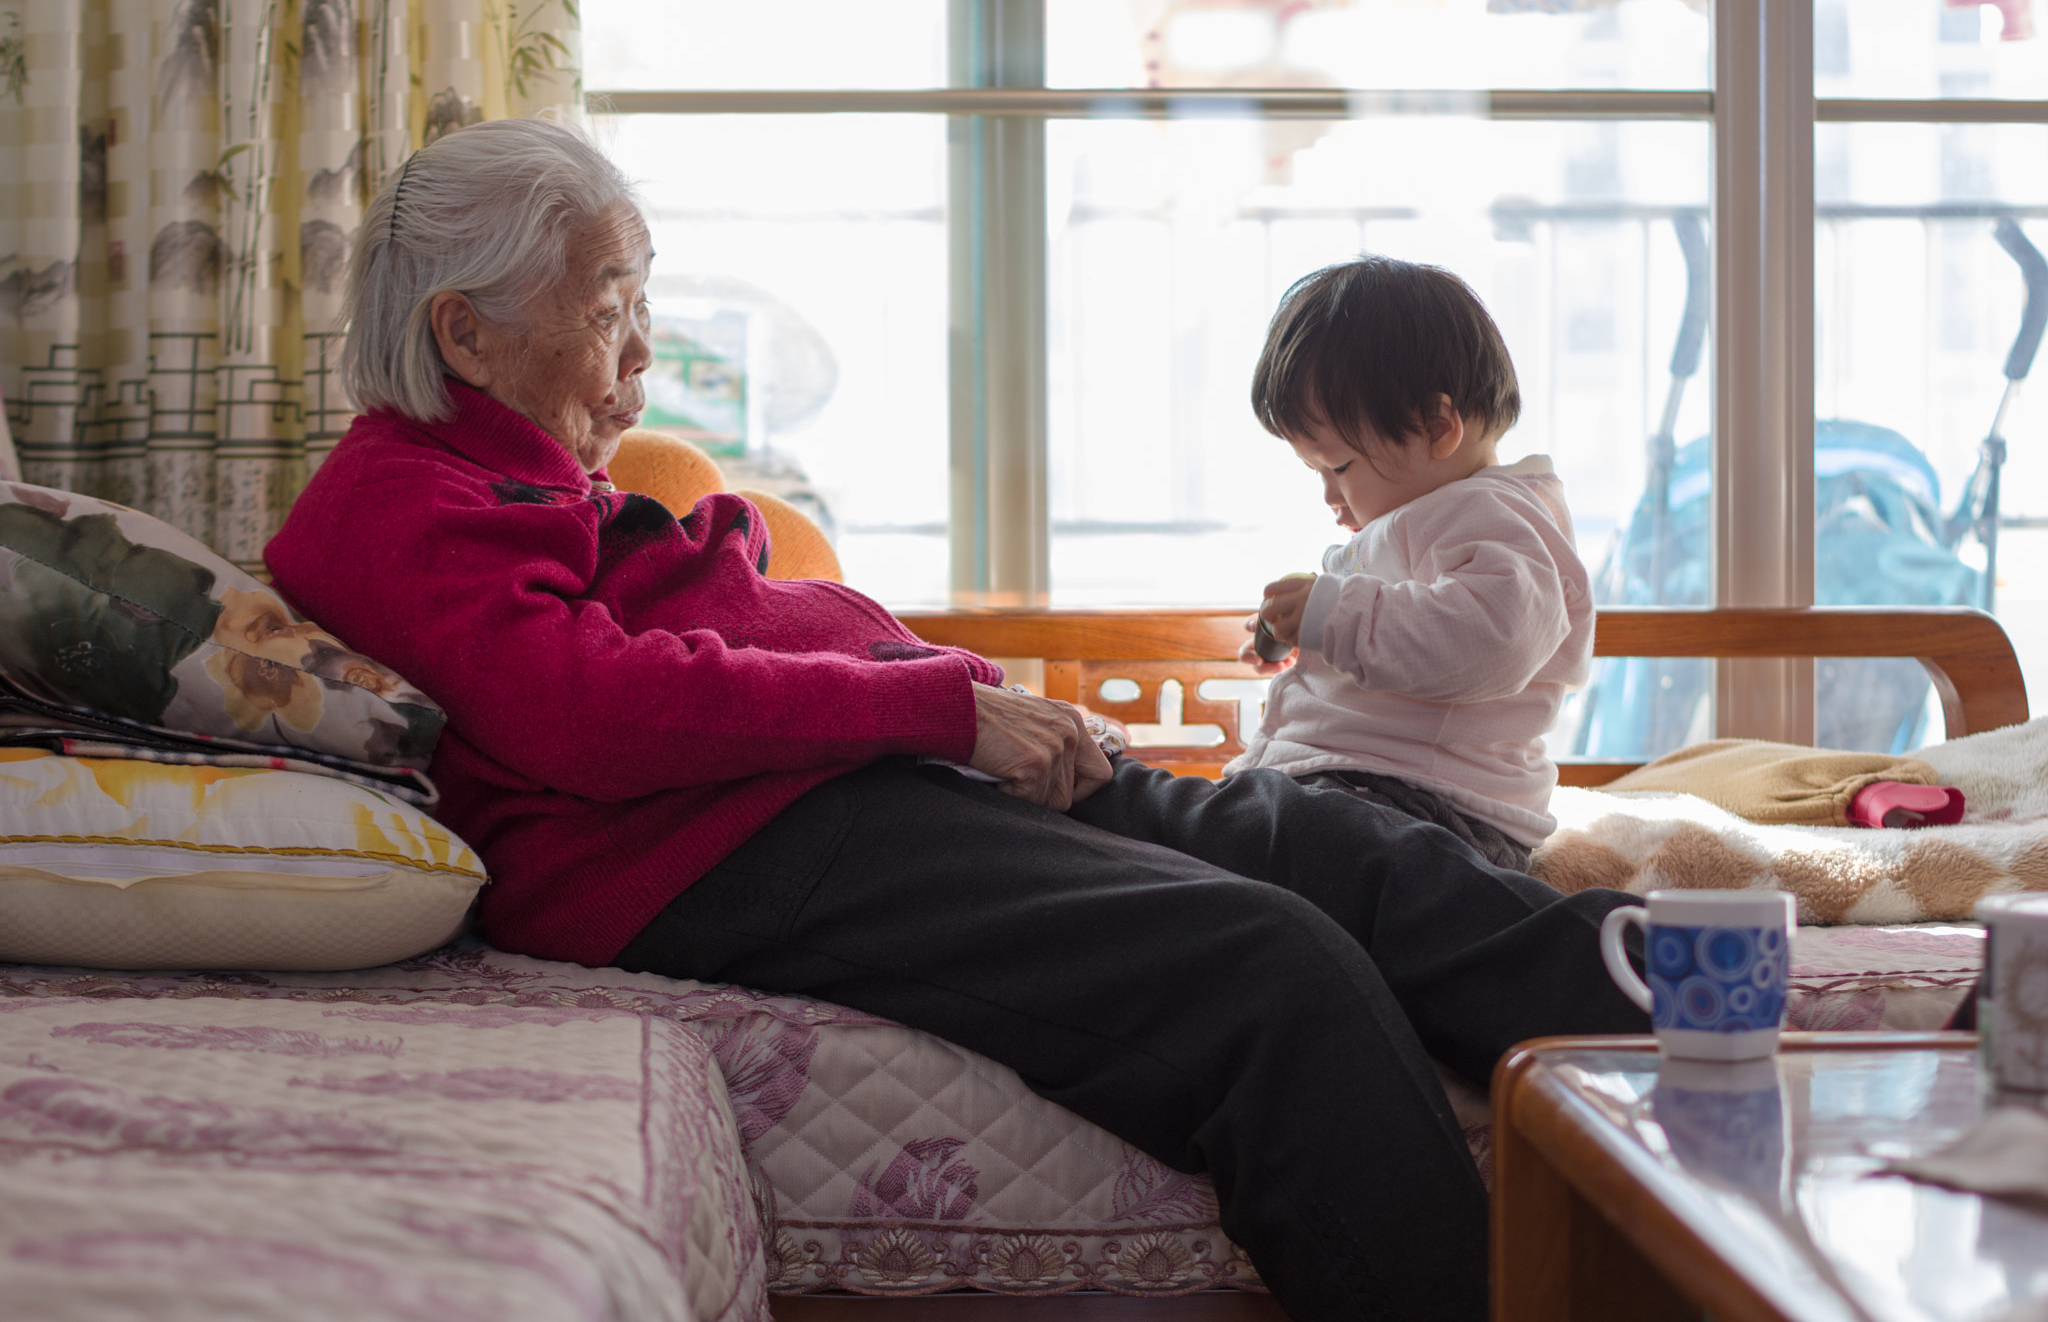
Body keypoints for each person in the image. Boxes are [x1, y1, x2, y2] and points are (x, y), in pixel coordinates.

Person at [265, 117, 1649, 1322]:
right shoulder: (399, 503)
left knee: (1319, 842)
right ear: (467, 330)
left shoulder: (506, 468)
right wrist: (933, 703)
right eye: (610, 304)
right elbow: (586, 713)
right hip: (739, 837)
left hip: (844, 767)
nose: (641, 347)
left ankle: (1688, 1008)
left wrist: (951, 695)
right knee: (1270, 968)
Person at [1233, 258, 1593, 873]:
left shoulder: (1496, 513)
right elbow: (1402, 632)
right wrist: (1311, 639)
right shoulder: (1438, 511)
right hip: (1363, 792)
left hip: (1424, 806)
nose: (1330, 497)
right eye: (1316, 472)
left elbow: (1492, 637)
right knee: (1237, 836)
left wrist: (1333, 613)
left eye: (1339, 467)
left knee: (1255, 841)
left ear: (1437, 425)